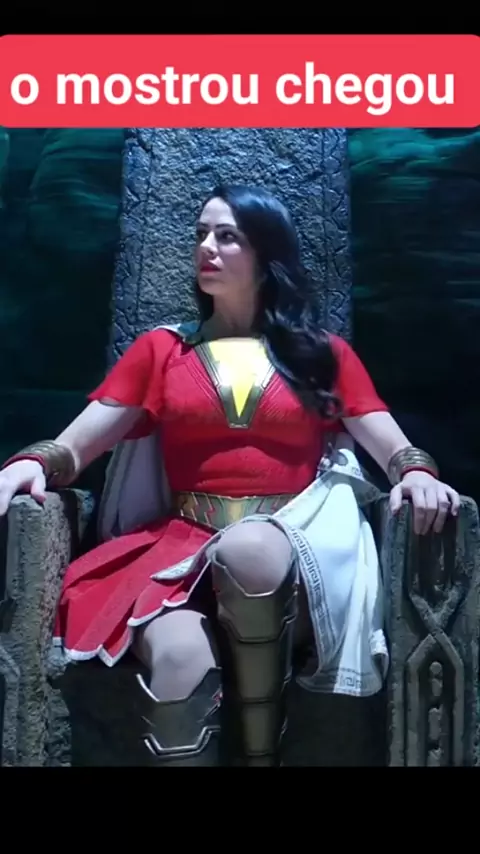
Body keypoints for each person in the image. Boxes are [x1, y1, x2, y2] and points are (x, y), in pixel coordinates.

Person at [0, 184, 460, 768]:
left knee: (250, 550)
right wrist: (30, 463)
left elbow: (390, 445)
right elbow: (77, 443)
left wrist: (416, 472)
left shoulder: (320, 355)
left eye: (227, 236)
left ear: (266, 253)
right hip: (179, 557)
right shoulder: (163, 350)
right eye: (201, 235)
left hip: (293, 559)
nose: (206, 248)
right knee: (178, 658)